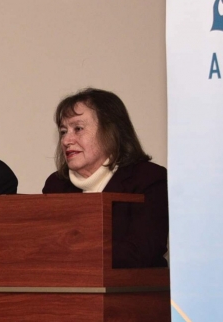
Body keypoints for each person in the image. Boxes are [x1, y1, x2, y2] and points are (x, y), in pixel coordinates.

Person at [42, 88, 169, 268]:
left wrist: (71, 251)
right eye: (63, 131)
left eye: (78, 128)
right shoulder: (56, 185)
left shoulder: (148, 179)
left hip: (129, 293)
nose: (66, 140)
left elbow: (141, 253)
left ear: (111, 131)